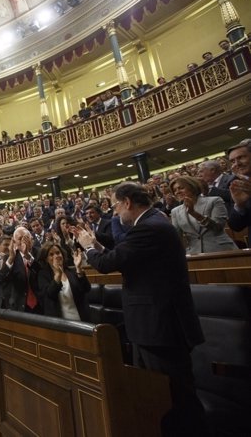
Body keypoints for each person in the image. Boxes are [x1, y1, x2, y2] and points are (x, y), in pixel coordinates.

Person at [76, 182, 207, 437]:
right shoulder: (152, 225)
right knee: (160, 395)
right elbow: (125, 258)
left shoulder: (149, 228)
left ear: (127, 202)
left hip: (160, 326)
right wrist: (98, 246)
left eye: (115, 206)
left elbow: (106, 265)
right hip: (154, 325)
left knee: (174, 397)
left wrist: (88, 247)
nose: (115, 213)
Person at [169, 176, 237, 254]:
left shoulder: (214, 201)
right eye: (174, 190)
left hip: (221, 250)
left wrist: (193, 213)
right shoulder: (175, 211)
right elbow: (177, 237)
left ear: (192, 187)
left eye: (181, 188)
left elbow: (218, 227)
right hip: (194, 253)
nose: (177, 192)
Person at [35, 243, 90, 321]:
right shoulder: (43, 275)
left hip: (80, 319)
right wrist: (58, 275)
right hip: (60, 322)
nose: (56, 256)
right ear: (46, 259)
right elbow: (50, 295)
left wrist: (79, 269)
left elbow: (86, 289)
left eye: (58, 253)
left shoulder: (72, 271)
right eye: (51, 254)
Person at [226, 139, 251, 240]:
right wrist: (239, 205)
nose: (237, 164)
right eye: (232, 161)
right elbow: (236, 226)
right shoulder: (237, 186)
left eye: (241, 157)